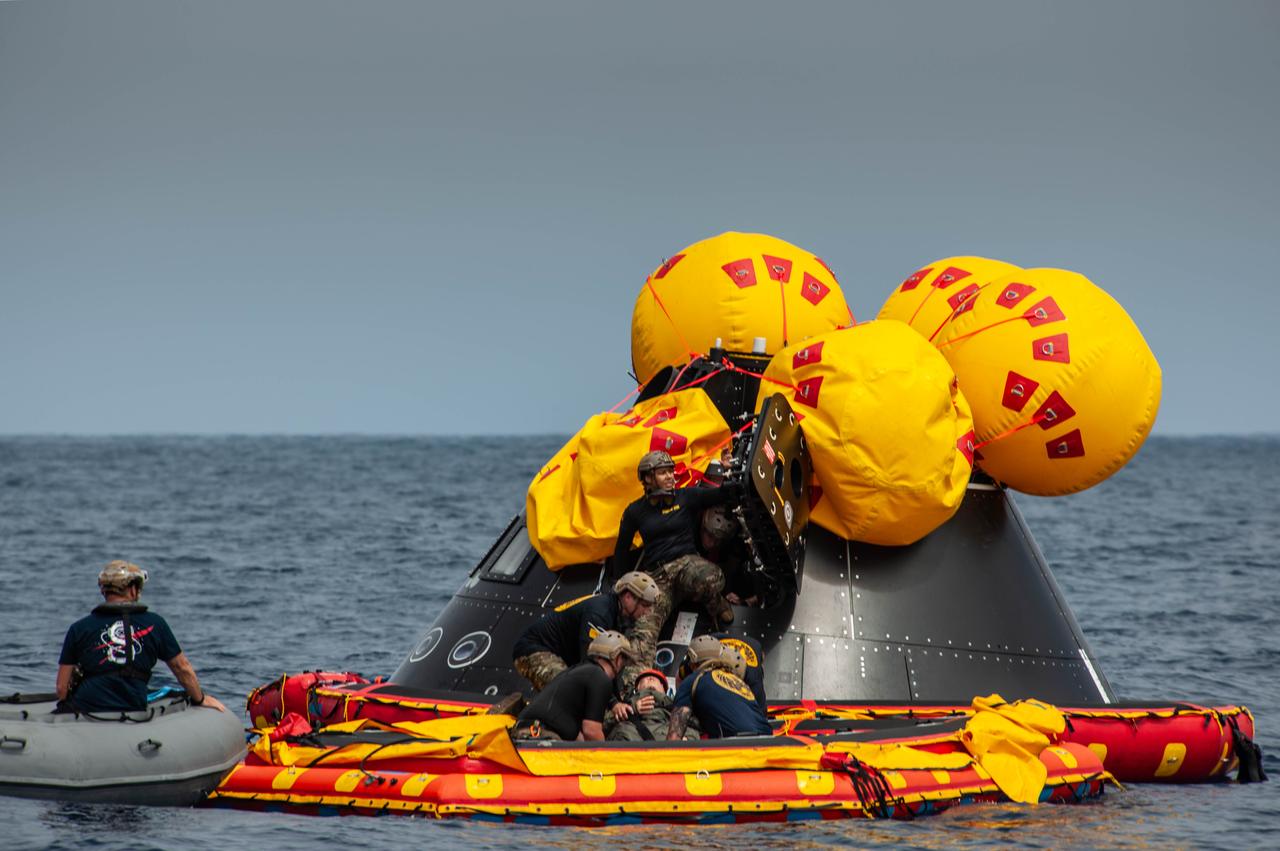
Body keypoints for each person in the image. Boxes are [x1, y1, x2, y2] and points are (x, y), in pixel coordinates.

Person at [615, 450, 740, 679]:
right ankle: (637, 689)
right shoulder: (634, 512)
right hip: (657, 578)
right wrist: (621, 589)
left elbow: (722, 495)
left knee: (711, 577)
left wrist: (730, 470)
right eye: (663, 473)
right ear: (648, 479)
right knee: (642, 633)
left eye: (671, 472)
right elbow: (621, 550)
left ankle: (716, 603)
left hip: (687, 567)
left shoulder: (687, 497)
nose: (671, 477)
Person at [56, 560, 227, 714]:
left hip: (86, 706)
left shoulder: (78, 628)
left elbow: (61, 688)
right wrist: (200, 699)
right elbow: (182, 668)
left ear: (103, 590)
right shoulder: (155, 623)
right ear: (132, 589)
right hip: (132, 705)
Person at [512, 571, 659, 691]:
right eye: (645, 605)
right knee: (568, 690)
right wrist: (612, 703)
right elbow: (590, 664)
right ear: (628, 597)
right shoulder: (600, 614)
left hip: (562, 655)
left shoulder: (619, 615)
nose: (647, 612)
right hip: (535, 650)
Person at [512, 631, 635, 742]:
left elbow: (577, 736)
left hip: (525, 733)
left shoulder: (578, 673)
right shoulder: (600, 678)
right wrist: (608, 760)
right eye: (623, 660)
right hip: (540, 736)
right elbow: (591, 731)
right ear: (617, 658)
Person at [666, 635, 771, 740]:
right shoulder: (739, 682)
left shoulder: (692, 680)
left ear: (693, 662)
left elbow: (673, 738)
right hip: (770, 743)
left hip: (737, 746)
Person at [605, 667, 698, 742]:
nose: (651, 678)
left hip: (667, 739)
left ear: (663, 688)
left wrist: (687, 739)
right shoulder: (623, 706)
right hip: (630, 742)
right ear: (637, 687)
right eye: (645, 678)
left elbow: (695, 725)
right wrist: (632, 709)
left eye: (657, 680)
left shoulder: (679, 708)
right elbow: (601, 725)